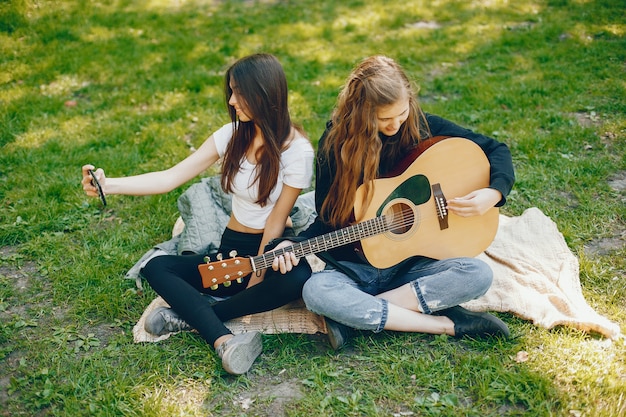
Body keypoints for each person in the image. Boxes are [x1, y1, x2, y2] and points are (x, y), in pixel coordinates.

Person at [81, 53, 314, 374]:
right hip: (228, 254)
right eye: (230, 91)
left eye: (239, 93)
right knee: (157, 266)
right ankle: (223, 338)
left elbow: (276, 222)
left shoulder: (298, 152)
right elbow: (170, 177)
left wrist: (255, 281)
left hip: (265, 253)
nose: (232, 101)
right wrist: (110, 185)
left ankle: (190, 316)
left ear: (264, 93)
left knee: (299, 277)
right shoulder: (233, 135)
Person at [293, 55, 515, 349]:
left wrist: (493, 193)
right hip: (358, 267)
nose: (397, 124)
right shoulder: (335, 148)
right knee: (316, 291)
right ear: (361, 112)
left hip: (415, 265)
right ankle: (445, 324)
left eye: (402, 112)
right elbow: (327, 217)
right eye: (384, 119)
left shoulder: (420, 126)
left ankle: (361, 313)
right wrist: (294, 243)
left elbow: (495, 149)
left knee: (478, 274)